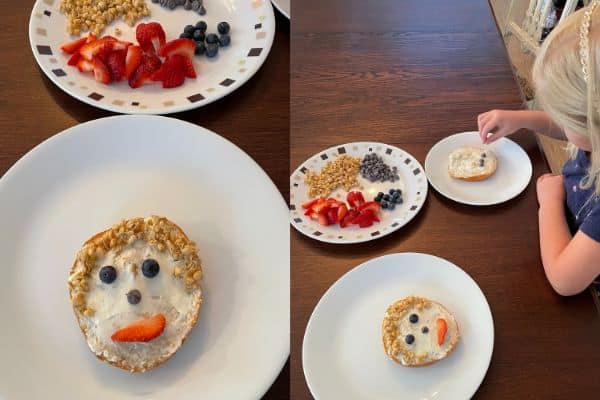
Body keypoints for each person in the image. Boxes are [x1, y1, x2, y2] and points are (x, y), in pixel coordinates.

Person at [477, 2, 600, 296]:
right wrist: (522, 120)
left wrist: (550, 202)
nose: (556, 121)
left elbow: (564, 280)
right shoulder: (592, 132)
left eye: (562, 115)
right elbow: (577, 131)